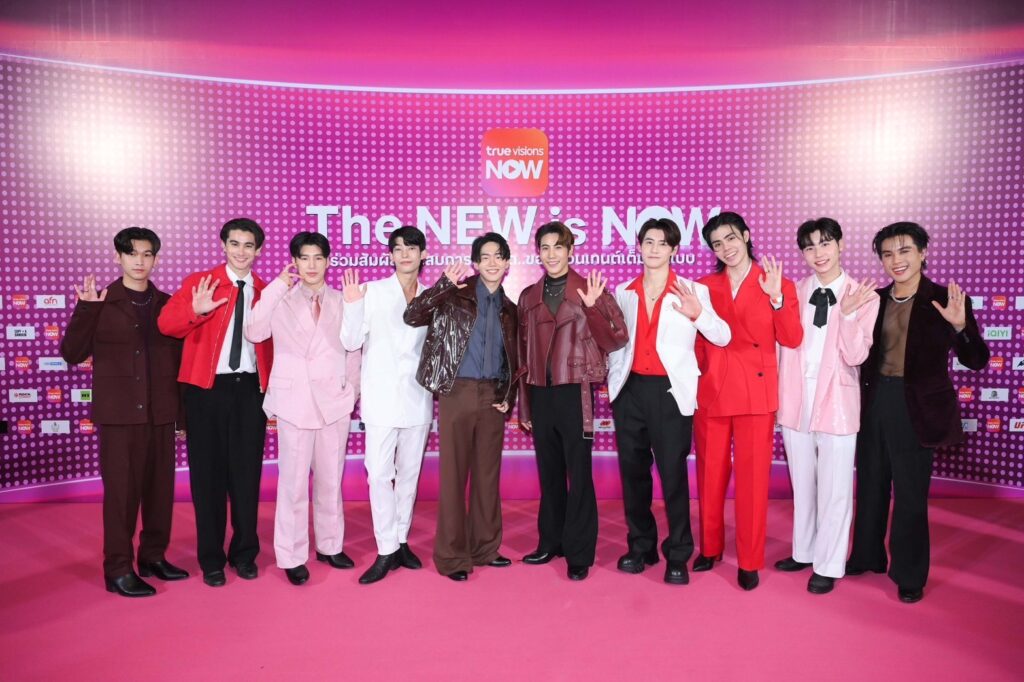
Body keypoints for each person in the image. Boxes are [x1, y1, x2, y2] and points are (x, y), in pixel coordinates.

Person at [846, 221, 989, 603]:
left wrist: (960, 326)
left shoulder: (944, 299)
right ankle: (867, 556)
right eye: (888, 253)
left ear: (923, 252)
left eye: (905, 250)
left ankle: (909, 573)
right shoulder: (874, 299)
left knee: (910, 493)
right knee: (871, 484)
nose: (896, 260)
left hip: (917, 408)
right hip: (874, 402)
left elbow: (977, 359)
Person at [61, 227, 187, 597]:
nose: (139, 261)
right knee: (121, 496)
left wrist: (181, 417)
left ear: (156, 259)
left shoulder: (168, 304)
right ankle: (117, 569)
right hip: (119, 417)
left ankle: (153, 557)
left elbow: (179, 364)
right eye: (131, 253)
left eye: (147, 254)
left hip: (160, 414)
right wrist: (86, 309)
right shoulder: (101, 302)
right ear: (118, 257)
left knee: (160, 493)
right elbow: (72, 353)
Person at [607, 218, 731, 586]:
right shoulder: (624, 291)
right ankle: (640, 546)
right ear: (639, 246)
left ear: (675, 249)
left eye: (663, 243)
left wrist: (698, 313)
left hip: (670, 393)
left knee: (673, 476)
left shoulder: (692, 290)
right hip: (630, 391)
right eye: (649, 241)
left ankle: (678, 553)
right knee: (633, 475)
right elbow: (615, 343)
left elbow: (722, 336)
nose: (655, 249)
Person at [157, 218, 273, 587]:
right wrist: (197, 310)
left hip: (250, 392)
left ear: (258, 250)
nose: (241, 251)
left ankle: (244, 554)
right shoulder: (200, 283)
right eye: (234, 243)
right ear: (223, 245)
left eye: (249, 245)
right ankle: (211, 559)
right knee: (207, 478)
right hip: (206, 391)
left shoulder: (266, 291)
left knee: (246, 476)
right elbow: (166, 325)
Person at [693, 211, 803, 591]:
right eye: (717, 244)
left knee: (753, 482)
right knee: (709, 475)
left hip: (756, 395)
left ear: (746, 235)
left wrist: (776, 299)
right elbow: (697, 342)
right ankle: (709, 548)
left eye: (730, 238)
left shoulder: (777, 283)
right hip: (713, 391)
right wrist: (701, 377)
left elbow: (791, 338)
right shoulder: (704, 286)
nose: (726, 248)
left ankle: (750, 560)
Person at [244, 231, 361, 586]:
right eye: (304, 258)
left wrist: (351, 393)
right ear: (294, 261)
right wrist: (277, 286)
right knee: (293, 485)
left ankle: (330, 545)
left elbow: (354, 349)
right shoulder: (279, 297)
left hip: (333, 402)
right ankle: (292, 555)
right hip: (293, 402)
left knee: (330, 480)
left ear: (328, 261)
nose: (311, 265)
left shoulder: (344, 299)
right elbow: (254, 331)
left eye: (318, 258)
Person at [404, 233, 519, 581]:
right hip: (457, 392)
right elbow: (412, 315)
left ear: (508, 263)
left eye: (498, 256)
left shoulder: (511, 309)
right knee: (454, 477)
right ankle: (453, 556)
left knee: (487, 476)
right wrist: (442, 284)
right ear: (475, 263)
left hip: (492, 398)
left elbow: (515, 360)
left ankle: (485, 548)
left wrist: (509, 394)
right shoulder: (455, 294)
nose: (492, 263)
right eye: (485, 257)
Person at [518, 221, 628, 581]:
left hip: (575, 391)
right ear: (538, 253)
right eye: (545, 247)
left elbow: (617, 339)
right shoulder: (528, 297)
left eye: (558, 247)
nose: (551, 254)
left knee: (578, 474)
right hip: (541, 393)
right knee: (549, 474)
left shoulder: (589, 290)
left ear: (570, 250)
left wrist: (594, 307)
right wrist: (525, 405)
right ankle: (551, 542)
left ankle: (579, 552)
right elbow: (522, 356)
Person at [774, 218, 879, 595]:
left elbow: (856, 355)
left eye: (825, 243)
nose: (818, 253)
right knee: (803, 484)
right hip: (795, 400)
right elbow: (781, 343)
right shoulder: (793, 291)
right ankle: (804, 551)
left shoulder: (864, 295)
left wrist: (847, 314)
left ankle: (829, 563)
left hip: (838, 403)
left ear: (841, 245)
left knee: (835, 489)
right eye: (809, 247)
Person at [341, 226, 433, 585]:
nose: (405, 254)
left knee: (408, 475)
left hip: (418, 398)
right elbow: (350, 340)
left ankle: (402, 540)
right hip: (380, 399)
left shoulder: (431, 297)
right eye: (398, 249)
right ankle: (385, 549)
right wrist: (352, 305)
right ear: (390, 255)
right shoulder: (372, 292)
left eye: (411, 248)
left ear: (423, 254)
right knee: (379, 474)